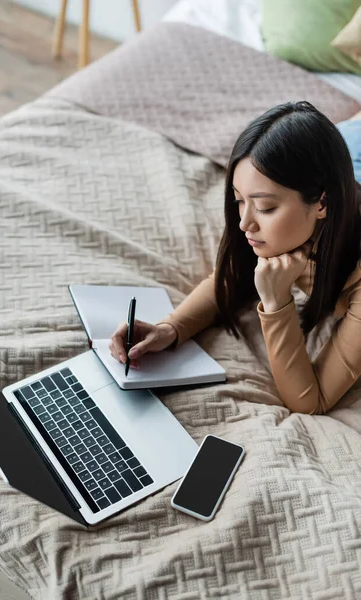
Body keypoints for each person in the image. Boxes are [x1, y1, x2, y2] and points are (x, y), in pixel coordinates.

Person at [109, 101, 361, 415]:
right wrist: (170, 328)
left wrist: (276, 302)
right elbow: (231, 277)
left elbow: (310, 400)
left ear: (322, 203)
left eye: (266, 208)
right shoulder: (287, 222)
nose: (244, 223)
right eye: (239, 200)